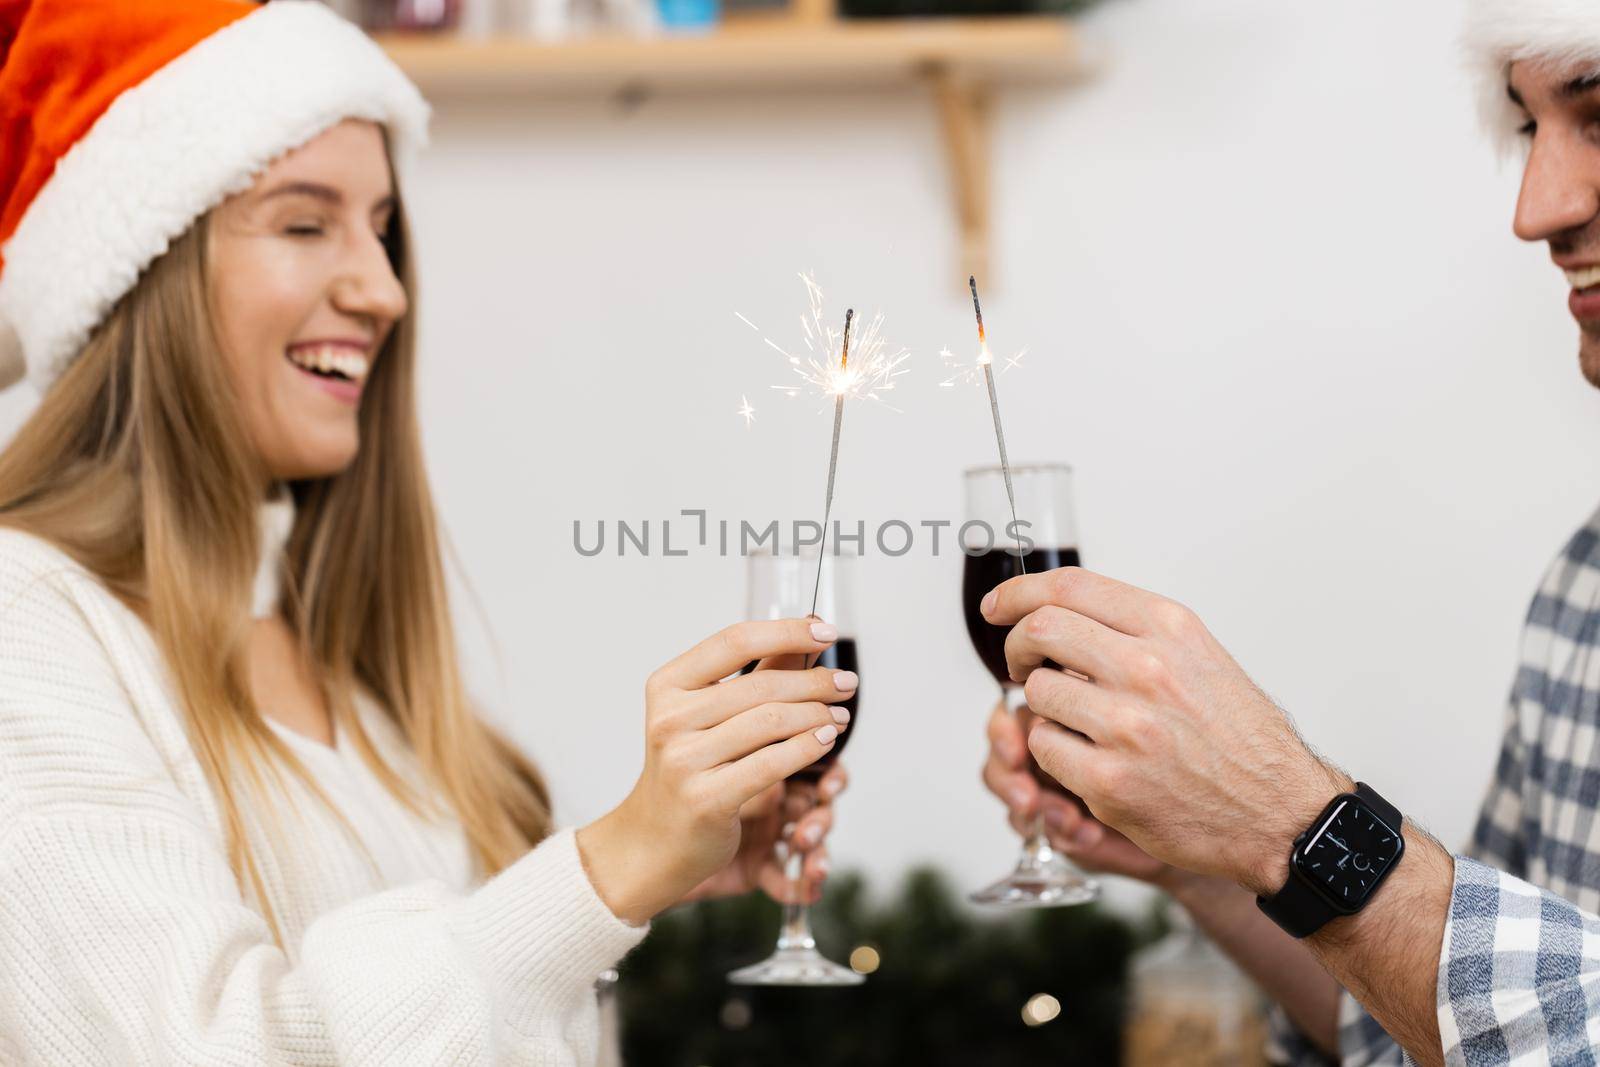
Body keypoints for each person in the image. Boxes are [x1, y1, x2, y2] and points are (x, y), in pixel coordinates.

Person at [0, 2, 852, 1064]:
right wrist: (604, 864)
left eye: (382, 228)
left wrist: (635, 893)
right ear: (140, 273)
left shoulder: (346, 656)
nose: (384, 288)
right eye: (306, 222)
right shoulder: (25, 624)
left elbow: (436, 1004)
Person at [982, 2, 1600, 1064]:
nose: (1535, 207)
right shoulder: (1581, 591)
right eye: (1526, 127)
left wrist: (1296, 824)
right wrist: (1207, 856)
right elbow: (1459, 1026)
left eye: (1596, 119)